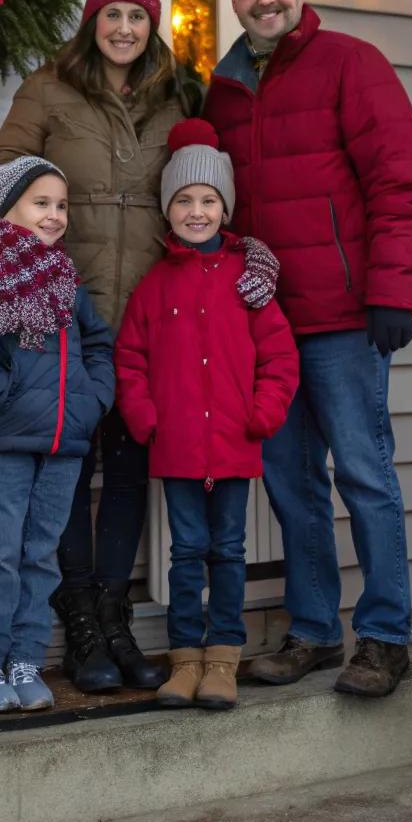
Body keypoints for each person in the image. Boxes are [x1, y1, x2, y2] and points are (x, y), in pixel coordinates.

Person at [0, 0, 279, 693]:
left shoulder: (176, 96)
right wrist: (30, 248)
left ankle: (116, 615)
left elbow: (204, 190)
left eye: (137, 16)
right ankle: (80, 617)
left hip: (151, 314)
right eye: (112, 13)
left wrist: (247, 253)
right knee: (67, 468)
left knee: (126, 472)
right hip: (65, 311)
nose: (124, 28)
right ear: (93, 20)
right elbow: (2, 177)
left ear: (153, 26)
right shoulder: (49, 89)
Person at [205, 0, 412, 699]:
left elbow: (398, 182)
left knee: (364, 473)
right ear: (234, 0)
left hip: (343, 316)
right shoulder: (224, 89)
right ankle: (313, 631)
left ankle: (385, 636)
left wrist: (392, 290)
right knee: (291, 482)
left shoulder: (350, 64)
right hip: (267, 322)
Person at [115, 121, 298, 709]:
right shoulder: (155, 285)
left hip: (235, 443)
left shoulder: (249, 282)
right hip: (177, 445)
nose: (197, 212)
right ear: (168, 210)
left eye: (209, 200)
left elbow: (279, 356)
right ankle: (185, 659)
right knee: (186, 552)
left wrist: (263, 413)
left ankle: (223, 659)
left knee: (229, 551)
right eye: (184, 201)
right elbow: (130, 358)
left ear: (225, 208)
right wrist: (145, 418)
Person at [0, 156, 115, 713]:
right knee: (3, 552)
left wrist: (93, 401)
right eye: (41, 203)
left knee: (41, 554)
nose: (54, 215)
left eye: (61, 205)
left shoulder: (66, 279)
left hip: (64, 442)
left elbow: (98, 344)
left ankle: (26, 660)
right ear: (8, 208)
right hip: (6, 440)